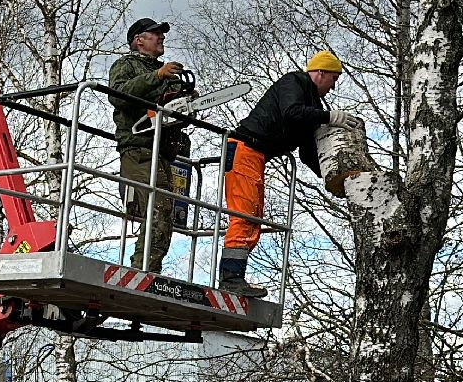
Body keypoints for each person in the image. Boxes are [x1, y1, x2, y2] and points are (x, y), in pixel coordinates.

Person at [218, 50, 345, 297]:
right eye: (334, 79)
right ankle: (231, 277)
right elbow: (291, 112)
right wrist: (330, 117)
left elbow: (308, 153)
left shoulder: (313, 105)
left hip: (255, 155)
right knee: (244, 215)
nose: (333, 86)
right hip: (245, 148)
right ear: (320, 73)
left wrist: (334, 179)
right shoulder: (294, 82)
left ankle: (234, 275)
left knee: (253, 216)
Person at [107, 17, 192, 274]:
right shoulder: (126, 65)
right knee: (159, 208)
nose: (161, 37)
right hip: (139, 149)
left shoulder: (167, 73)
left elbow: (177, 111)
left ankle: (150, 267)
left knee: (165, 212)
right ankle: (143, 268)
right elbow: (118, 95)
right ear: (139, 40)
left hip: (164, 152)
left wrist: (186, 101)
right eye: (155, 34)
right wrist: (157, 76)